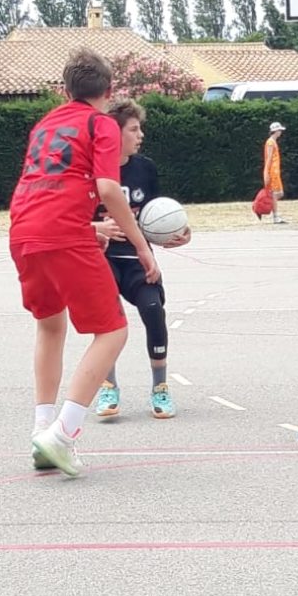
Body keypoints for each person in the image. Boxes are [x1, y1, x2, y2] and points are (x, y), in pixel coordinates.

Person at [9, 48, 160, 478]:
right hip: (63, 234)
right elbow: (108, 189)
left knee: (50, 325)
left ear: (65, 89)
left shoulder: (44, 124)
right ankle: (62, 433)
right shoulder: (101, 124)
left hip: (24, 229)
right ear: (108, 91)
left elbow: (48, 185)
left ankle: (41, 430)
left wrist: (88, 228)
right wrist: (142, 245)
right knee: (112, 330)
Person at [93, 99, 190, 420]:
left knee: (153, 310)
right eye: (134, 129)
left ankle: (160, 387)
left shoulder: (145, 169)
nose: (141, 135)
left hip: (136, 258)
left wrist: (177, 233)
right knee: (107, 319)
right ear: (115, 134)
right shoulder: (92, 170)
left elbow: (156, 215)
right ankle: (108, 385)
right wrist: (97, 227)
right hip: (102, 258)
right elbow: (71, 218)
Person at [263, 121, 287, 224]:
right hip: (272, 171)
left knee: (278, 193)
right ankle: (275, 215)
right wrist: (266, 173)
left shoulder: (273, 142)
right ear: (275, 131)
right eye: (279, 130)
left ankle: (275, 213)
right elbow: (268, 158)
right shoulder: (270, 142)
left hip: (275, 170)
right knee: (275, 193)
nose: (280, 132)